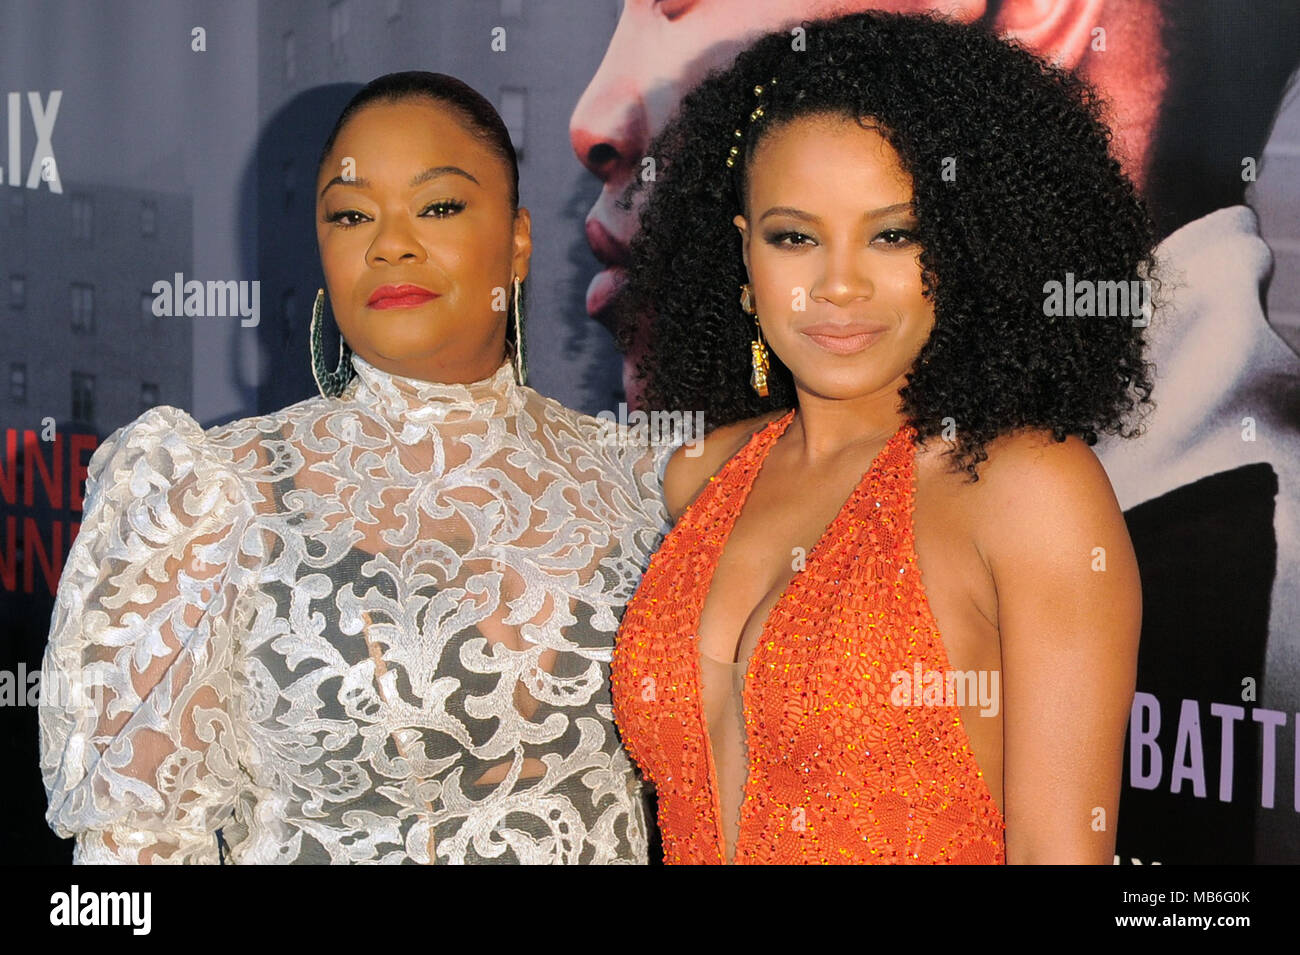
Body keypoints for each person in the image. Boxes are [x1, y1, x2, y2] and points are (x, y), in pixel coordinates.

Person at [574, 0, 1300, 866]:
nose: (838, 285)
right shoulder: (698, 474)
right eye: (794, 235)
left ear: (963, 247)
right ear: (743, 257)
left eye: (892, 234)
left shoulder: (1030, 488)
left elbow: (1059, 851)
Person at [38, 71, 674, 864]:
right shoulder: (207, 493)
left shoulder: (646, 481)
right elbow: (137, 845)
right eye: (350, 214)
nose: (390, 242)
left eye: (438, 206)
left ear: (517, 240)